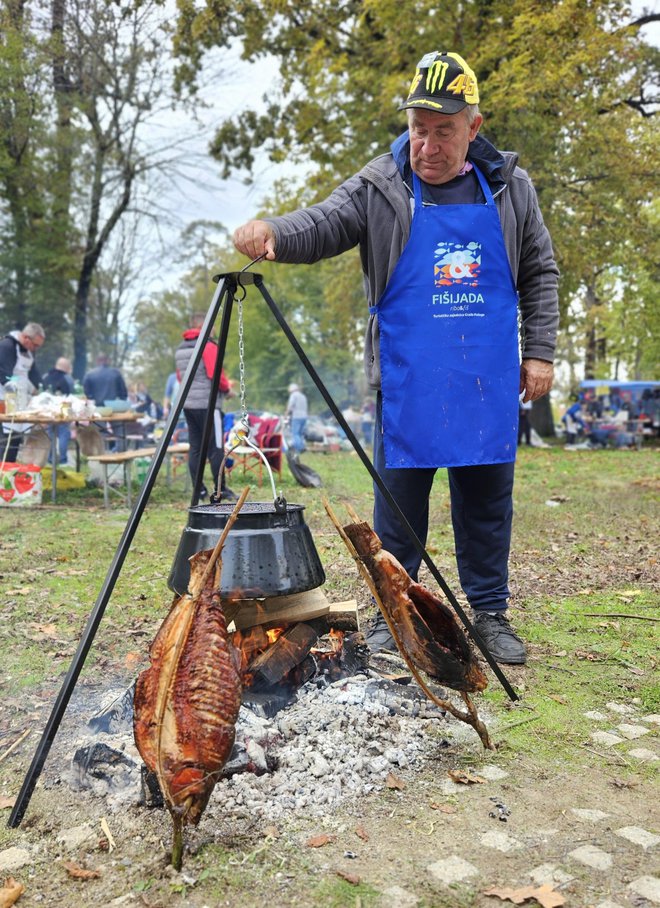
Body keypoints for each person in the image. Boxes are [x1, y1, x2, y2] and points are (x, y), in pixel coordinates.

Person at [233, 51, 560, 665]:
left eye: (443, 130)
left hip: (485, 382)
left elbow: (540, 271)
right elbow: (326, 221)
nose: (427, 145)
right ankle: (392, 613)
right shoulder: (383, 183)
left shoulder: (512, 188)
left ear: (474, 126)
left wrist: (539, 351)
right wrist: (275, 233)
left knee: (487, 505)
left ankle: (489, 615)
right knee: (397, 516)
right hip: (408, 383)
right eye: (418, 128)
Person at [175, 313, 236, 502]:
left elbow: (180, 378)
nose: (216, 330)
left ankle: (199, 490)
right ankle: (221, 490)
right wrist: (227, 390)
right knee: (216, 448)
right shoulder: (208, 346)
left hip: (189, 405)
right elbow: (215, 374)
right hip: (208, 406)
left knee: (195, 448)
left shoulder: (180, 350)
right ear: (206, 327)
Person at [0, 322, 46, 463]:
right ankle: (2, 472)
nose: (35, 349)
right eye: (35, 345)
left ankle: (10, 472)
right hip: (4, 400)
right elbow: (4, 375)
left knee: (16, 438)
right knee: (6, 439)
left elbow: (33, 375)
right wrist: (18, 388)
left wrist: (42, 391)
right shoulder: (6, 346)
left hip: (20, 402)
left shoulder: (29, 352)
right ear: (26, 338)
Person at [42, 356, 75, 465]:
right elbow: (71, 395)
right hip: (64, 406)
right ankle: (63, 460)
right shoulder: (68, 378)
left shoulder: (45, 376)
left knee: (50, 432)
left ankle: (50, 459)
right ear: (67, 367)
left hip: (49, 408)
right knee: (64, 432)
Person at [286, 383, 308, 454]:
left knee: (295, 433)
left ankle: (300, 448)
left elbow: (290, 406)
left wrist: (286, 414)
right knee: (301, 434)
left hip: (297, 417)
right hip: (304, 417)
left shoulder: (293, 395)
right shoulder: (303, 396)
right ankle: (302, 446)